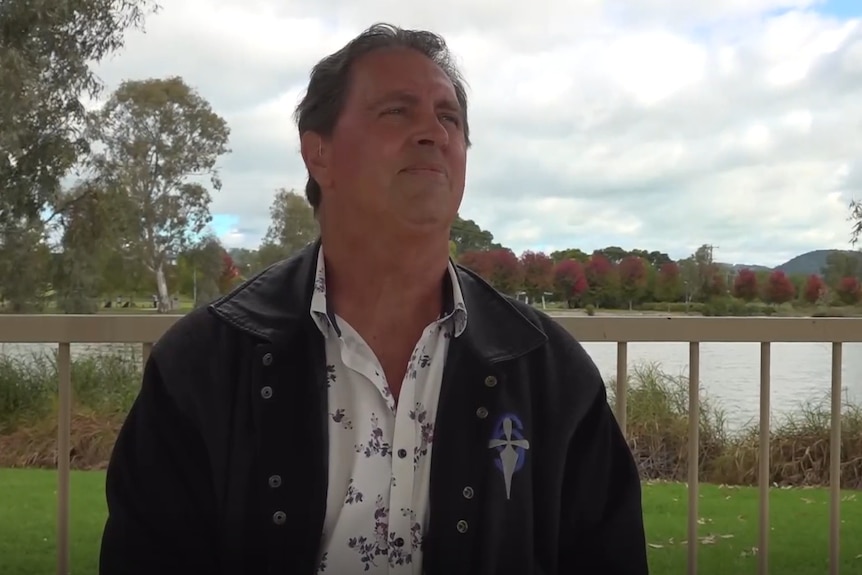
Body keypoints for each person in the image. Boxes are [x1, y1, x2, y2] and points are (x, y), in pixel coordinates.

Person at [98, 22, 649, 575]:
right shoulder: (205, 368)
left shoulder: (551, 377)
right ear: (320, 156)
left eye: (448, 117)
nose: (433, 132)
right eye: (397, 111)